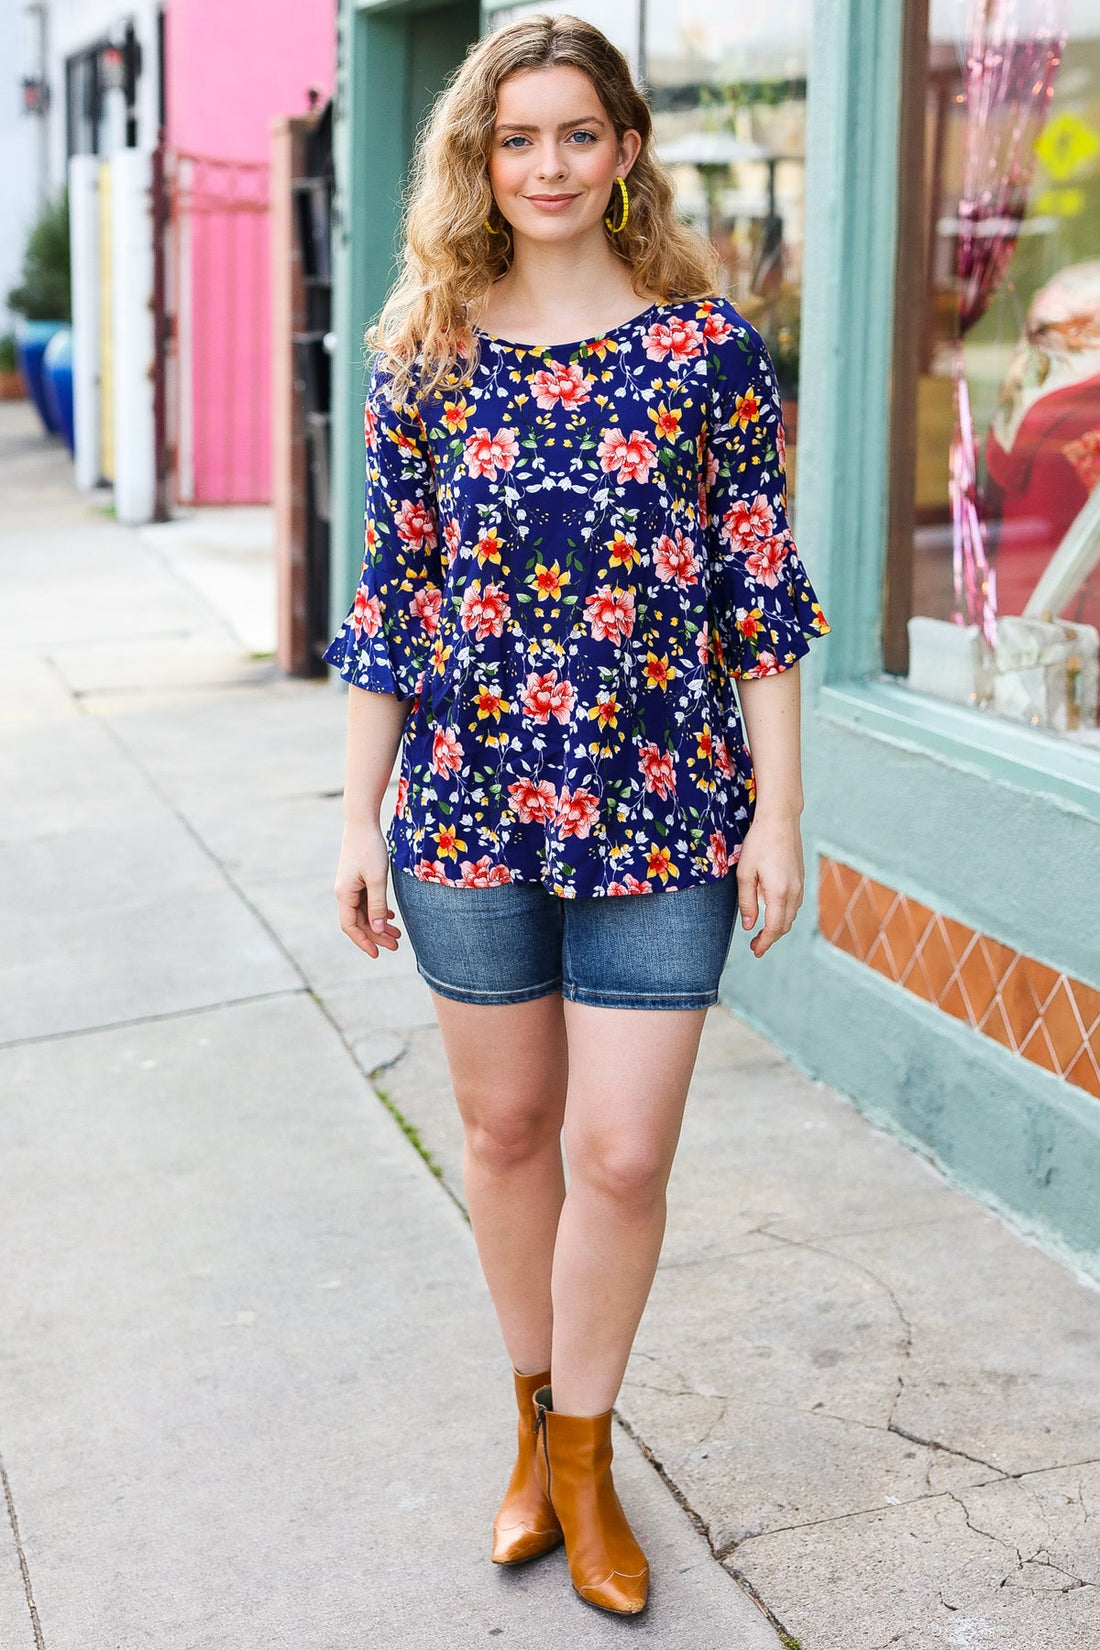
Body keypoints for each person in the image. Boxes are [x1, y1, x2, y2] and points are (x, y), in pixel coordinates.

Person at [327, 13, 830, 1618]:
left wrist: (781, 818)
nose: (545, 165)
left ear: (625, 153)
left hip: (667, 810)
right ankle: (537, 1433)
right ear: (484, 159)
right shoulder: (427, 351)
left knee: (620, 1150)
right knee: (508, 1131)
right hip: (468, 805)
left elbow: (761, 601)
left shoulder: (708, 354)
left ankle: (598, 1457)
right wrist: (356, 821)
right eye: (515, 139)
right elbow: (390, 602)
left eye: (575, 135)